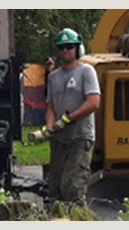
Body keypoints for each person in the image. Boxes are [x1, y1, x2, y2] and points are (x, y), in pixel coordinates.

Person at [44, 28, 101, 203]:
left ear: (77, 48)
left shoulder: (86, 72)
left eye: (69, 47)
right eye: (62, 48)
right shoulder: (53, 77)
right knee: (55, 189)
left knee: (72, 187)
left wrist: (68, 119)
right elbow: (51, 107)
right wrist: (50, 126)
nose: (65, 51)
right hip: (60, 139)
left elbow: (93, 103)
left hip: (80, 138)